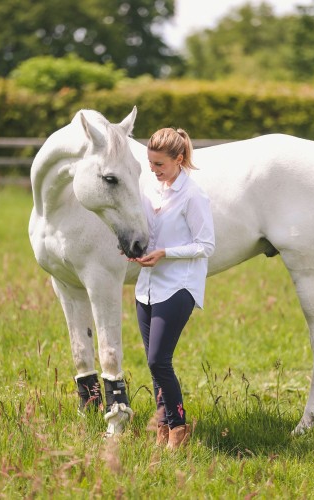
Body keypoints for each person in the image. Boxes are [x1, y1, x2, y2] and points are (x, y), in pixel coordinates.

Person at [130, 127, 215, 450]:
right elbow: (149, 234)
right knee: (154, 364)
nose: (154, 171)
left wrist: (166, 253)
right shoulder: (151, 189)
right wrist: (136, 251)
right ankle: (163, 427)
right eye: (151, 164)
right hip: (147, 287)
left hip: (178, 286)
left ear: (179, 159)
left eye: (160, 165)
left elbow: (206, 245)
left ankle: (178, 425)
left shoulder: (193, 195)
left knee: (158, 361)